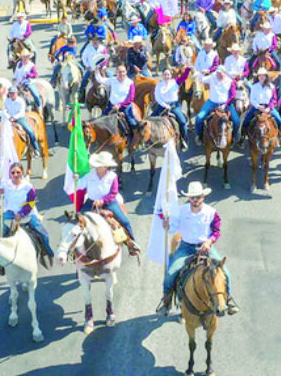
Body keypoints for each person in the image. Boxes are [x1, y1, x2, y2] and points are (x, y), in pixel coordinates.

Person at [156, 181, 239, 316]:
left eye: (198, 197)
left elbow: (216, 231)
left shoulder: (212, 212)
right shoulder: (180, 211)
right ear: (189, 198)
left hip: (205, 248)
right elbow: (173, 228)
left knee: (226, 273)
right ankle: (166, 301)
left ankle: (228, 299)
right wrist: (167, 225)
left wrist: (209, 241)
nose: (195, 200)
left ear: (203, 197)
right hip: (186, 247)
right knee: (171, 274)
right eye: (192, 197)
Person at [76, 151, 140, 255]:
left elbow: (113, 193)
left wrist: (102, 201)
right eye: (97, 165)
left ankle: (132, 244)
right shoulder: (89, 174)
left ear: (106, 166)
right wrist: (75, 179)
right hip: (91, 202)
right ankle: (74, 249)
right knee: (76, 221)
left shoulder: (112, 176)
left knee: (124, 221)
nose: (97, 167)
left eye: (100, 166)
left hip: (109, 204)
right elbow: (80, 185)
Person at [0, 162, 54, 261]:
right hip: (10, 213)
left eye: (18, 172)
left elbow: (30, 203)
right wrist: (0, 195)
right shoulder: (5, 185)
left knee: (43, 232)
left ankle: (46, 250)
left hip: (27, 213)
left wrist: (21, 213)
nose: (15, 175)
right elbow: (0, 202)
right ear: (10, 174)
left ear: (22, 173)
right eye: (13, 172)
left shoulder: (28, 187)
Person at [194, 66, 240, 144]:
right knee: (199, 118)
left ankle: (234, 137)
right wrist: (200, 73)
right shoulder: (212, 77)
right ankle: (199, 136)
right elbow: (202, 79)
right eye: (217, 73)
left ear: (224, 73)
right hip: (212, 102)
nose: (218, 75)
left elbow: (233, 95)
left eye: (220, 73)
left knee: (236, 121)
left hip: (226, 104)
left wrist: (225, 105)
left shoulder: (230, 81)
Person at [93, 64, 141, 139]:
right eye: (119, 72)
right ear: (116, 72)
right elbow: (101, 80)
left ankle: (136, 138)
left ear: (126, 72)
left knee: (132, 122)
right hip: (111, 105)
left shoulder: (130, 83)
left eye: (123, 72)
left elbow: (131, 98)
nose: (121, 74)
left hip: (125, 107)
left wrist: (119, 105)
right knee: (101, 119)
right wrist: (96, 72)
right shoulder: (113, 80)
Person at [239, 68, 281, 144]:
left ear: (266, 76)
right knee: (246, 120)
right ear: (258, 77)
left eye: (263, 75)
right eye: (260, 76)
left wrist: (269, 108)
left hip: (268, 107)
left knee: (280, 120)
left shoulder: (271, 87)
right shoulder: (254, 87)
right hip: (257, 106)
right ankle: (242, 137)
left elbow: (274, 99)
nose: (261, 77)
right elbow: (252, 99)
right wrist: (258, 106)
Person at [152, 68, 189, 150]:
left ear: (171, 75)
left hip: (174, 105)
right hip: (162, 105)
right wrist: (165, 105)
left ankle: (184, 140)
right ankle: (149, 140)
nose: (167, 76)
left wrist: (188, 69)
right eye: (165, 74)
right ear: (162, 75)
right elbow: (157, 97)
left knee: (182, 122)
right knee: (150, 119)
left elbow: (184, 77)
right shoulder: (159, 85)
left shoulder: (175, 82)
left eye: (168, 74)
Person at [4, 85, 42, 157]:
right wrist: (9, 117)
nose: (12, 95)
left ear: (17, 93)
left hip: (19, 118)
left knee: (30, 131)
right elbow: (5, 110)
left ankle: (36, 148)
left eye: (13, 93)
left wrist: (14, 118)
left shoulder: (20, 101)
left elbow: (21, 112)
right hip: (9, 119)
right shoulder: (7, 101)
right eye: (10, 93)